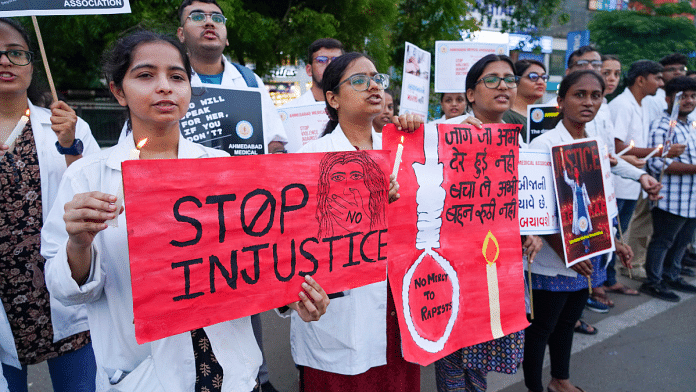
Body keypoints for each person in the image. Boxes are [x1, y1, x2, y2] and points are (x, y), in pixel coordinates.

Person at [41, 30, 329, 392]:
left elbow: (253, 259)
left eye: (177, 77)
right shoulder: (86, 178)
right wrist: (78, 245)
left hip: (235, 373)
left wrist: (293, 294)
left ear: (189, 89)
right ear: (117, 90)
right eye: (145, 75)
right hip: (145, 375)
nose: (164, 87)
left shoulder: (222, 167)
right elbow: (65, 290)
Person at [291, 52, 419, 392]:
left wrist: (426, 137)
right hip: (340, 314)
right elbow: (292, 241)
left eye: (377, 78)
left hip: (396, 306)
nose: (373, 85)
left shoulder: (403, 150)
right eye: (359, 81)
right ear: (332, 98)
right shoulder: (307, 157)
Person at [0, 17, 99, 392]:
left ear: (32, 63)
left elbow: (93, 196)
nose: (5, 61)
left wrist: (71, 144)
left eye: (16, 53)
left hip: (58, 287)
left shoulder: (65, 126)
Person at [434, 54, 543, 392]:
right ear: (470, 93)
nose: (503, 86)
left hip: (497, 264)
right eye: (492, 79)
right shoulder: (441, 134)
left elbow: (521, 196)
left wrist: (532, 230)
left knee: (482, 351)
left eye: (509, 79)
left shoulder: (517, 139)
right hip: (455, 263)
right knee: (453, 352)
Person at [525, 70, 635, 392]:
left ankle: (560, 379)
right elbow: (535, 210)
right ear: (560, 102)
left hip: (590, 252)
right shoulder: (543, 145)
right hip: (554, 256)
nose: (588, 102)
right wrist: (566, 253)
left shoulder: (596, 145)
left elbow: (599, 201)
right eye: (579, 95)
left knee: (567, 322)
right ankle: (533, 387)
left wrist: (615, 240)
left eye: (595, 95)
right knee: (542, 326)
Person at [175, 0, 286, 154]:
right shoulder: (168, 82)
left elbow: (273, 141)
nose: (209, 23)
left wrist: (277, 154)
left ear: (226, 39)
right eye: (198, 17)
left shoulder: (249, 81)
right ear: (181, 34)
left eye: (217, 19)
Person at [609, 60, 676, 280]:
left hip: (633, 179)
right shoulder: (622, 105)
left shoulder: (642, 104)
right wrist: (660, 152)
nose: (660, 83)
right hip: (618, 182)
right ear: (640, 80)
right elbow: (618, 146)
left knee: (619, 233)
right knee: (612, 235)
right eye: (656, 78)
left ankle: (609, 279)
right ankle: (607, 281)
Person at [634, 53, 694, 280]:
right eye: (683, 96)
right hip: (671, 199)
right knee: (663, 241)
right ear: (668, 99)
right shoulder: (663, 126)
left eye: (693, 96)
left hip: (691, 198)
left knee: (681, 242)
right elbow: (659, 162)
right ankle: (655, 281)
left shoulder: (690, 125)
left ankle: (672, 276)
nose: (688, 101)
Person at [503, 59, 548, 141]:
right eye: (533, 77)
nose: (541, 82)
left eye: (544, 77)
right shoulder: (506, 116)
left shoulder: (545, 114)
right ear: (515, 80)